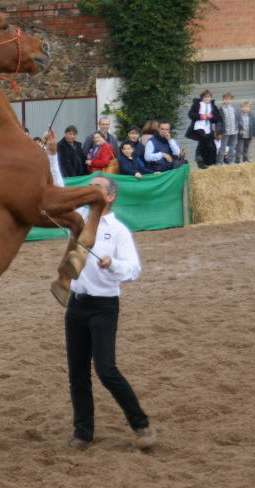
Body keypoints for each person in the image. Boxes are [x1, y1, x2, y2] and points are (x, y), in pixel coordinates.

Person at [64, 173, 156, 451]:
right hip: (76, 305)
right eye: (89, 186)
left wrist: (112, 263)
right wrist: (52, 155)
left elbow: (134, 269)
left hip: (104, 306)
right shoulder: (78, 220)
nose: (90, 190)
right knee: (77, 373)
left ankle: (141, 424)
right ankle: (83, 432)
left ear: (111, 196)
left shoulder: (117, 231)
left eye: (97, 187)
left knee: (106, 369)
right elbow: (56, 190)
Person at [185, 90, 221, 168]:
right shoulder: (197, 104)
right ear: (202, 98)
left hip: (209, 128)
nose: (207, 98)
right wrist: (201, 116)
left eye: (208, 97)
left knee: (211, 146)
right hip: (199, 126)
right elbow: (191, 114)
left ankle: (209, 162)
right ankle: (198, 157)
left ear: (211, 98)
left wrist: (211, 116)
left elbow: (217, 118)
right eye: (205, 97)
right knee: (203, 138)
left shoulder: (213, 106)